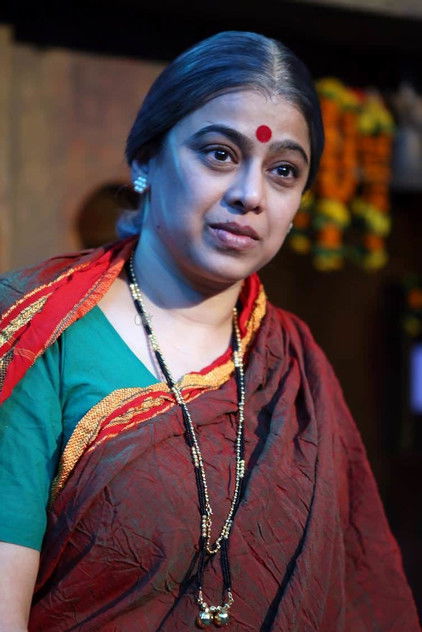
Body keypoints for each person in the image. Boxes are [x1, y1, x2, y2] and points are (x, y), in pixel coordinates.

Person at [0, 31, 419, 632]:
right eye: (220, 154)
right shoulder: (39, 333)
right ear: (145, 160)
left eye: (283, 171)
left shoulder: (296, 368)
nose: (250, 195)